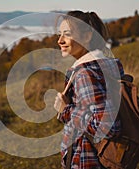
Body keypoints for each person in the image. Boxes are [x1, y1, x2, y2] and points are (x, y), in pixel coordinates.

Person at [54, 10, 124, 169]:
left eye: (67, 34)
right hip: (106, 158)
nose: (60, 40)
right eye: (59, 34)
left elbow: (107, 127)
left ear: (87, 36)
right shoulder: (108, 65)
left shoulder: (85, 73)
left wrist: (66, 110)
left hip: (89, 160)